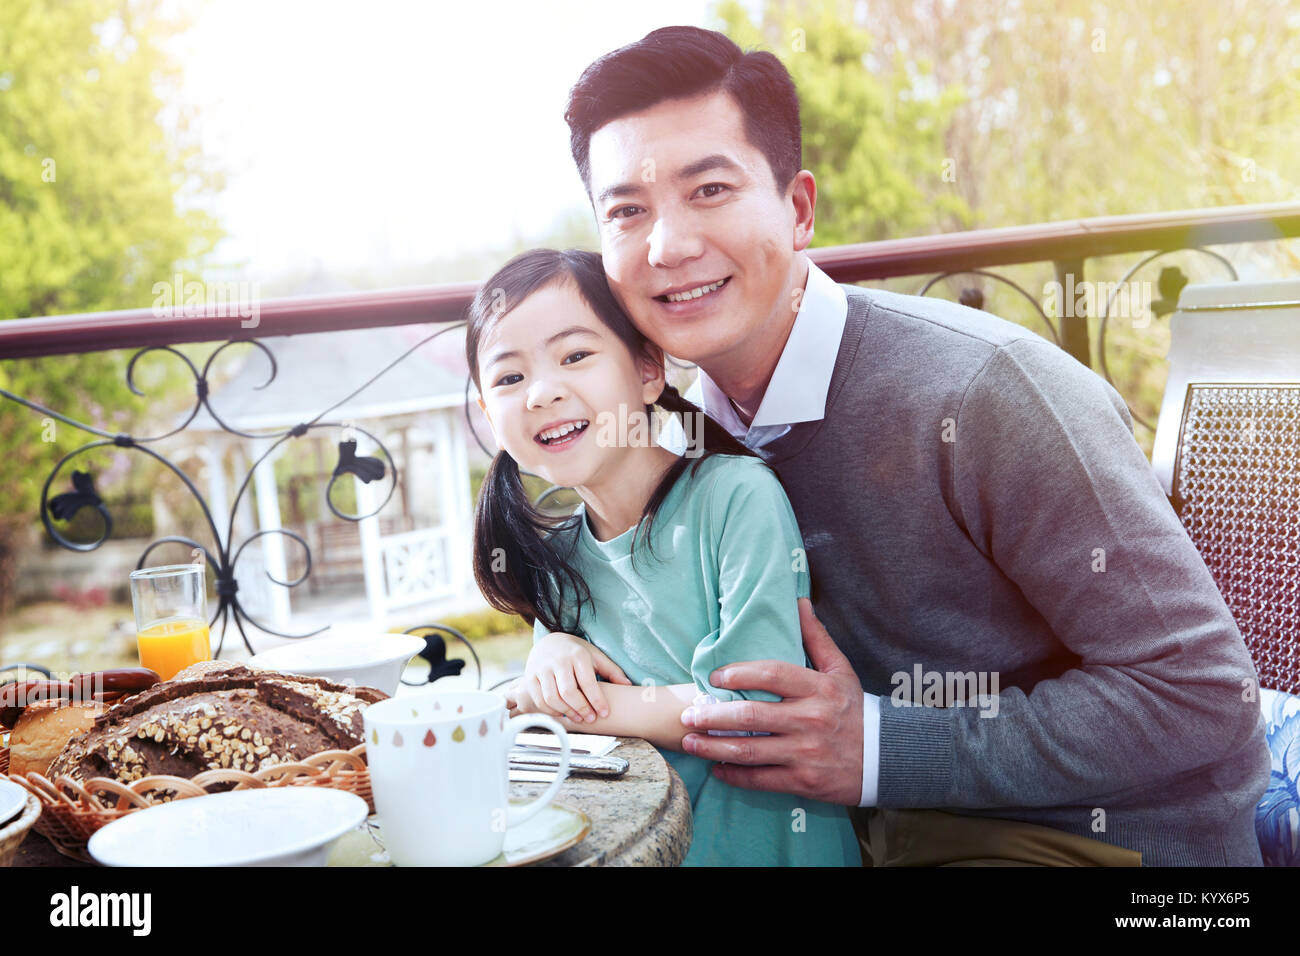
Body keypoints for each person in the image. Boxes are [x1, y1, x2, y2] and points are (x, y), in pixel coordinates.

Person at [558, 25, 1272, 866]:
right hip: (862, 835)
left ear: (797, 210)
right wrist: (569, 641)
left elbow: (1199, 693)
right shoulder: (683, 431)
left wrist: (881, 749)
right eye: (627, 211)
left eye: (709, 189)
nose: (667, 246)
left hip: (1098, 841)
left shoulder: (986, 392)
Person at [465, 246, 861, 866]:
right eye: (509, 378)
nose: (541, 393)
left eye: (575, 356)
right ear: (491, 417)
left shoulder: (734, 498)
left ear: (650, 370)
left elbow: (755, 715)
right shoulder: (559, 559)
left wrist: (593, 710)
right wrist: (550, 650)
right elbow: (543, 700)